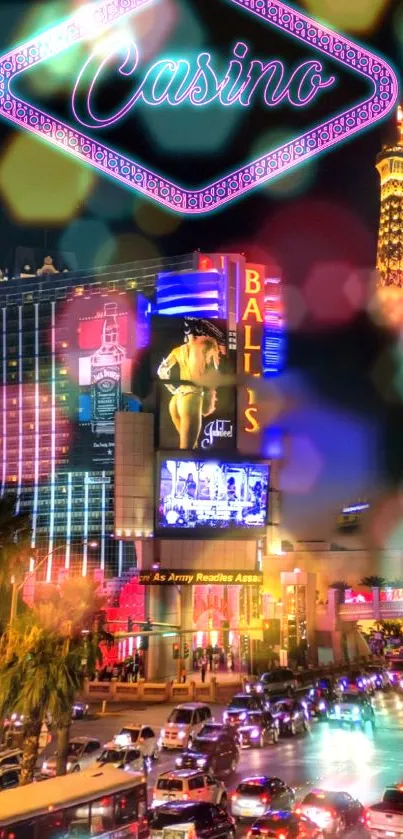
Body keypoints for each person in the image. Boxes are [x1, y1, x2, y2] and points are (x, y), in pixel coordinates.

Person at [157, 317, 226, 449]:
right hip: (192, 398)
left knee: (191, 447)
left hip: (176, 401)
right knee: (187, 450)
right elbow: (215, 371)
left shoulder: (177, 351)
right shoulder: (207, 345)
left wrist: (172, 389)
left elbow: (161, 371)